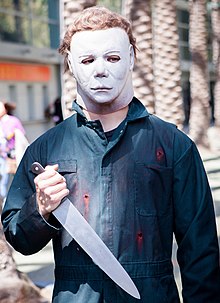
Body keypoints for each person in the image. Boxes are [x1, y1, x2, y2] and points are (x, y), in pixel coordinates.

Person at [2, 6, 220, 303]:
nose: (100, 69)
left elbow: (201, 252)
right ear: (70, 63)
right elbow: (19, 238)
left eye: (113, 57)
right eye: (88, 59)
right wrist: (39, 209)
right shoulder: (45, 149)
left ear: (131, 58)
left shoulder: (174, 147)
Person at [0, 100, 26, 199]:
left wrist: (11, 134)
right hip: (2, 156)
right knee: (3, 182)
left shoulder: (13, 120)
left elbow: (21, 134)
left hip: (12, 155)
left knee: (14, 180)